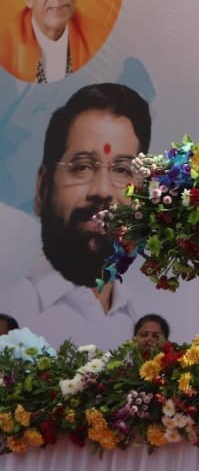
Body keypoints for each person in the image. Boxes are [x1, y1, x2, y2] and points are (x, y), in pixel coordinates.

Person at [0, 83, 152, 350]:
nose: (102, 190)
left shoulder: (145, 319)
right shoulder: (14, 308)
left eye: (122, 170)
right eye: (82, 167)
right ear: (42, 188)